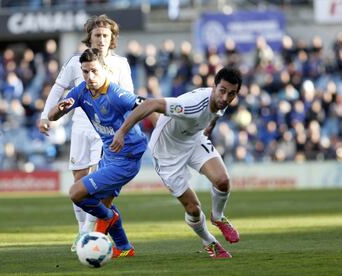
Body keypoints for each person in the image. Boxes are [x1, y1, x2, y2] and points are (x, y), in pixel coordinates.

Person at [110, 67, 242, 259]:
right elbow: (152, 104)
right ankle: (209, 242)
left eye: (231, 94)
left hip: (193, 139)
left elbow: (214, 116)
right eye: (222, 91)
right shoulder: (190, 105)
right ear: (214, 87)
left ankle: (218, 217)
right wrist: (121, 131)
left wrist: (207, 131)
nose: (225, 97)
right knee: (193, 209)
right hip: (167, 152)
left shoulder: (223, 101)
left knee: (223, 181)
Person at [38, 14, 134, 252]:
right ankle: (84, 230)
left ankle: (86, 235)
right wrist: (44, 115)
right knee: (79, 181)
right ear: (89, 37)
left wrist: (124, 129)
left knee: (97, 185)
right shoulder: (75, 62)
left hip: (108, 129)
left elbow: (130, 97)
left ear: (112, 38)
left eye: (105, 35)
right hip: (81, 125)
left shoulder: (121, 64)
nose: (101, 40)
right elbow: (59, 88)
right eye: (97, 35)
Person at [48, 48, 147, 258]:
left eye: (93, 71)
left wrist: (127, 131)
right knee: (102, 203)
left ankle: (108, 218)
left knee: (76, 193)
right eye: (85, 72)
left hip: (126, 160)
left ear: (103, 69)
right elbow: (52, 116)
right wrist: (59, 108)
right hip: (109, 157)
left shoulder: (115, 94)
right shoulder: (81, 90)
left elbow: (146, 105)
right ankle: (124, 247)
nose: (89, 76)